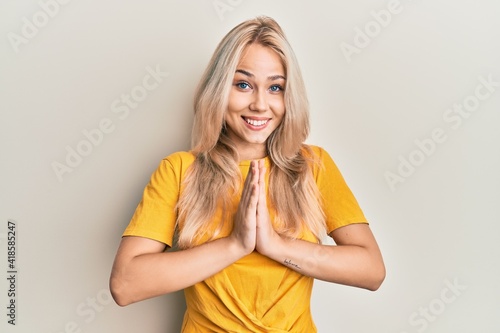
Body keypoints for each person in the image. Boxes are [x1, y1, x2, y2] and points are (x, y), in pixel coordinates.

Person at [110, 16, 385, 332]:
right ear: (218, 90)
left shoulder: (314, 166)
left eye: (275, 87)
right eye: (243, 84)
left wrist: (275, 246)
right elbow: (125, 284)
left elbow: (371, 271)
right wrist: (236, 244)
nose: (260, 104)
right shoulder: (179, 170)